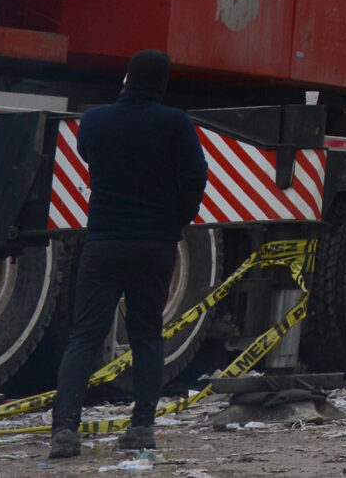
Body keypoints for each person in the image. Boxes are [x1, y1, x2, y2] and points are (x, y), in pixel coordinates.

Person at [47, 50, 209, 459]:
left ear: (126, 78)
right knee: (146, 335)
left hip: (103, 241)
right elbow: (195, 180)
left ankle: (65, 431)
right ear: (163, 83)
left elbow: (87, 155)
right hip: (155, 244)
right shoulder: (176, 123)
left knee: (84, 336)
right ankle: (141, 428)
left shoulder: (96, 121)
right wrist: (174, 221)